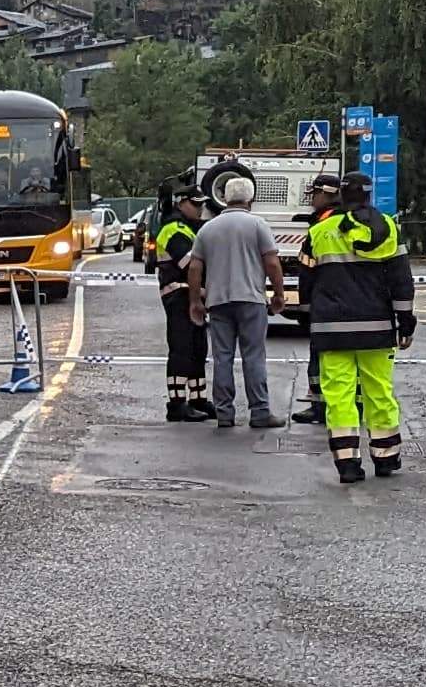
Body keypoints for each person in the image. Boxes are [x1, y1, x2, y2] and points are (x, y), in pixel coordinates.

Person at [301, 167, 410, 482]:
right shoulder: (388, 228)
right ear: (368, 195)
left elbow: (306, 281)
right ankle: (386, 457)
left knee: (339, 397)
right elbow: (401, 281)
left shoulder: (319, 232)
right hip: (376, 330)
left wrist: (312, 316)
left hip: (332, 331)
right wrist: (406, 322)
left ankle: (348, 463)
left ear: (340, 195)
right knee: (379, 392)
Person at [185, 169, 282, 429]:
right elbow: (271, 262)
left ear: (225, 198)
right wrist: (278, 294)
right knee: (253, 356)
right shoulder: (258, 225)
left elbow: (194, 268)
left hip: (218, 302)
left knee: (223, 357)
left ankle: (225, 413)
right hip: (251, 300)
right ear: (250, 199)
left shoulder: (208, 228)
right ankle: (260, 412)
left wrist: (195, 301)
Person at [152, 192, 210, 420]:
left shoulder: (189, 227)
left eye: (202, 204)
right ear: (180, 203)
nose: (199, 209)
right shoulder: (173, 229)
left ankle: (198, 400)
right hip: (178, 294)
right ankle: (176, 405)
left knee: (198, 349)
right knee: (181, 350)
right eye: (195, 204)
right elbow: (188, 263)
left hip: (191, 294)